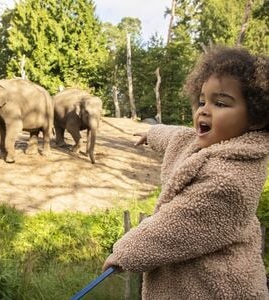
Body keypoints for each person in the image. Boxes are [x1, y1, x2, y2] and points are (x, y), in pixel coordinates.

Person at [102, 46, 269, 299]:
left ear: (256, 118)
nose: (204, 109)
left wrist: (126, 252)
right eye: (202, 101)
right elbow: (177, 137)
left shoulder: (231, 180)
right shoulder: (205, 143)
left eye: (220, 103)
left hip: (217, 288)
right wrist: (152, 133)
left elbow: (177, 225)